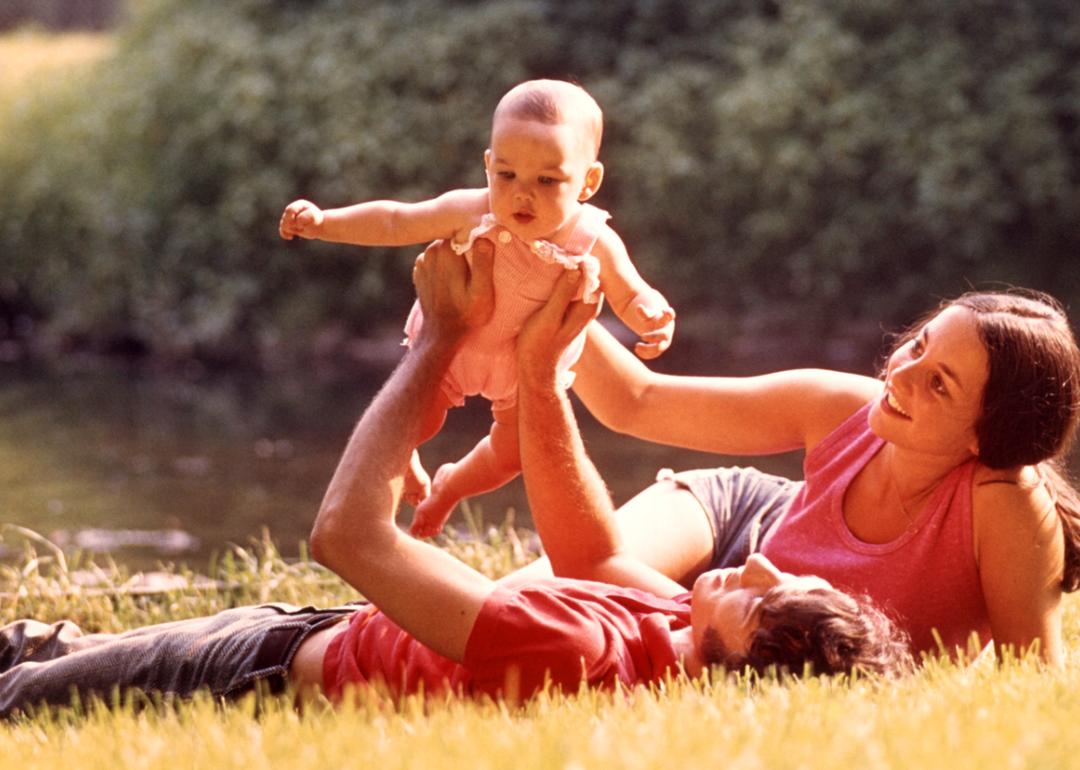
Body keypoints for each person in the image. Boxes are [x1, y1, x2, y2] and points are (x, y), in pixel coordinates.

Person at [0, 240, 908, 718]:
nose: (757, 565)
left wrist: (436, 345)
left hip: (255, 676)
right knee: (42, 646)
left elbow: (346, 537)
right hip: (304, 635)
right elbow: (589, 551)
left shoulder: (574, 657)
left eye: (765, 602)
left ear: (746, 670)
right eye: (782, 575)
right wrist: (546, 370)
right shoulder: (675, 633)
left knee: (21, 700)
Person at [532, 288, 1080, 665]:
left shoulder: (1003, 501)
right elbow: (636, 401)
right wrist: (548, 289)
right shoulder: (842, 407)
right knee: (530, 596)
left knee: (556, 621)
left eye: (939, 384)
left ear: (984, 435)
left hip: (766, 611)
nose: (902, 372)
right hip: (740, 516)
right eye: (919, 345)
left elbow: (1029, 670)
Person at [278, 79, 675, 538]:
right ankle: (404, 456)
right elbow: (395, 220)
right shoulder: (472, 210)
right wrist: (325, 223)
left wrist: (651, 313)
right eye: (507, 175)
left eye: (547, 181)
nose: (522, 194)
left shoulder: (593, 238)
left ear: (588, 181)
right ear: (488, 166)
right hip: (453, 348)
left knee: (513, 453)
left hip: (528, 369)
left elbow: (630, 290)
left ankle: (451, 487)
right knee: (412, 418)